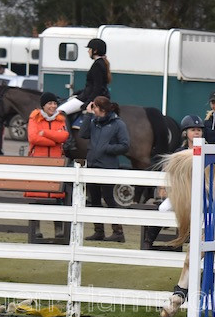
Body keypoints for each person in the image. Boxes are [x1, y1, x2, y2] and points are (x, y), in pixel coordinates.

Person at [142, 114, 204, 249]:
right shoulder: (179, 152)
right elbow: (168, 170)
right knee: (163, 208)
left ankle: (198, 247)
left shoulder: (207, 151)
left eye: (199, 130)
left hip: (202, 194)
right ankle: (148, 241)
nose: (196, 132)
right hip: (182, 193)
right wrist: (164, 186)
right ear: (185, 133)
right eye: (192, 130)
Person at [79, 95, 130, 242]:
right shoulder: (94, 121)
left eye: (94, 108)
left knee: (109, 198)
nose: (92, 110)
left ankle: (118, 232)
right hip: (93, 165)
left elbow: (125, 145)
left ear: (101, 109)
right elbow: (83, 134)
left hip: (107, 167)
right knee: (94, 199)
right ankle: (99, 231)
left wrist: (107, 148)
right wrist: (88, 116)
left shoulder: (118, 124)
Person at [25, 92, 70, 239]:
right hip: (38, 163)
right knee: (37, 196)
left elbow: (64, 136)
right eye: (50, 103)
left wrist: (45, 133)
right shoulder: (34, 118)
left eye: (55, 103)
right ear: (43, 105)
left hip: (56, 163)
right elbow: (33, 137)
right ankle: (35, 230)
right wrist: (53, 140)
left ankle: (58, 231)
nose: (53, 106)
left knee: (57, 197)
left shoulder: (60, 119)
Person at [57, 38, 111, 123]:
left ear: (95, 51)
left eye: (90, 49)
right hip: (87, 95)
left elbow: (97, 88)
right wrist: (78, 93)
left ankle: (69, 136)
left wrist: (88, 103)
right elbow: (92, 86)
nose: (88, 51)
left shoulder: (97, 65)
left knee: (59, 112)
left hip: (88, 98)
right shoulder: (101, 63)